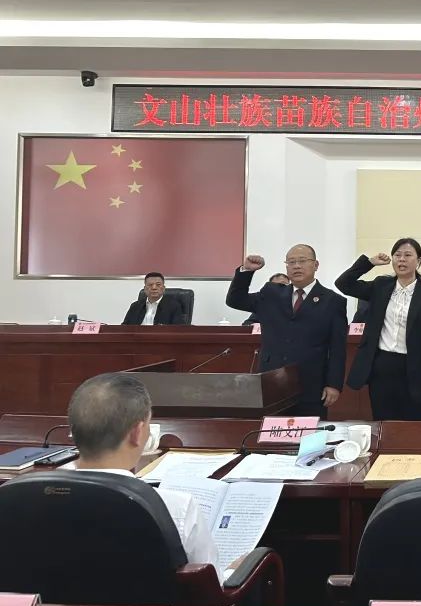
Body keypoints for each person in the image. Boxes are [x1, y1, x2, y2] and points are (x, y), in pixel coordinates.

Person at [67, 373, 222, 578]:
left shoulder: (32, 495)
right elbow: (211, 589)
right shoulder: (176, 508)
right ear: (137, 433)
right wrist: (233, 571)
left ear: (73, 429)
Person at [226, 244, 347, 417]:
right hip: (272, 380)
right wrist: (247, 271)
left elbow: (337, 348)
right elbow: (235, 300)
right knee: (270, 430)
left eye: (302, 261)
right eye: (291, 262)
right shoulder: (271, 293)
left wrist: (333, 384)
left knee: (308, 432)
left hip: (311, 384)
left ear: (316, 265)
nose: (296, 266)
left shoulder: (333, 301)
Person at [335, 238, 421, 420]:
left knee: (412, 423)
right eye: (397, 255)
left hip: (414, 369)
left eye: (408, 255)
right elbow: (343, 284)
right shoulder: (381, 286)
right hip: (381, 366)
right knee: (382, 421)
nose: (402, 259)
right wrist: (369, 263)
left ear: (419, 261)